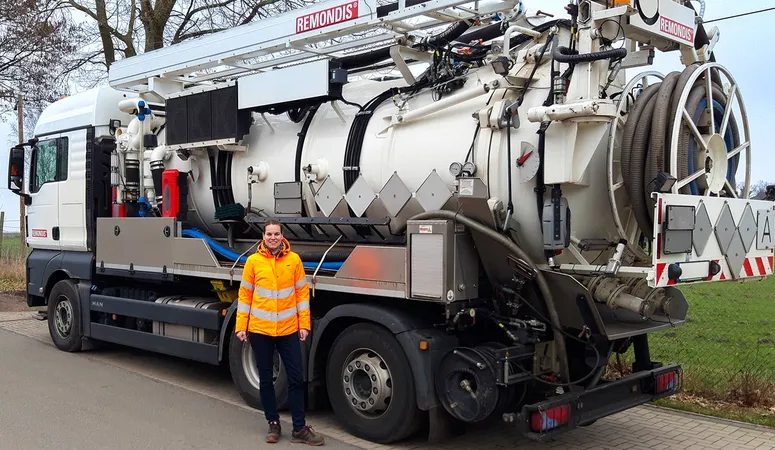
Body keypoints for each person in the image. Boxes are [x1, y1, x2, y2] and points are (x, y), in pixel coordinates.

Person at [235, 220, 325, 446]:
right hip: (260, 330)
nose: (273, 237)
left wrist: (304, 325)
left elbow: (302, 294)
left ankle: (299, 428)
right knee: (266, 380)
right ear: (263, 237)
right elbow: (245, 295)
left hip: (288, 330)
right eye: (269, 234)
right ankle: (273, 423)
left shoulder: (293, 260)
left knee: (296, 378)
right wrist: (241, 327)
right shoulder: (253, 262)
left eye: (276, 234)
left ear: (282, 236)